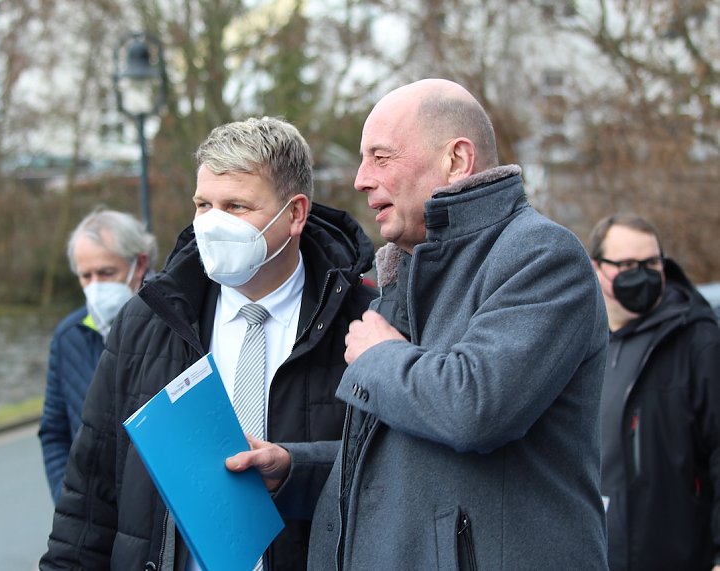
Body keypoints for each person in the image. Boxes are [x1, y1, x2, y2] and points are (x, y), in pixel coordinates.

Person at [226, 79, 610, 569]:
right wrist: (294, 469)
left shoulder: (542, 255)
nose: (361, 179)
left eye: (381, 158)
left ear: (456, 160)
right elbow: (406, 461)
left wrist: (379, 358)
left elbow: (477, 407)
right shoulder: (407, 269)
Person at [39, 117, 377, 570]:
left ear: (295, 213)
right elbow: (89, 495)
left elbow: (395, 476)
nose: (214, 224)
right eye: (203, 204)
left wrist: (297, 469)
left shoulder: (368, 322)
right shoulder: (147, 321)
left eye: (236, 206)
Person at [588, 213, 720, 571]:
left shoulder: (697, 340)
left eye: (651, 263)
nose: (642, 273)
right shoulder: (586, 344)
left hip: (680, 556)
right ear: (596, 267)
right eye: (628, 264)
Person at [38, 208, 158, 501]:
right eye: (86, 276)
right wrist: (65, 497)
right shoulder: (69, 337)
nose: (95, 287)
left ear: (139, 264)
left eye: (106, 273)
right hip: (94, 517)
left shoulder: (176, 325)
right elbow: (55, 431)